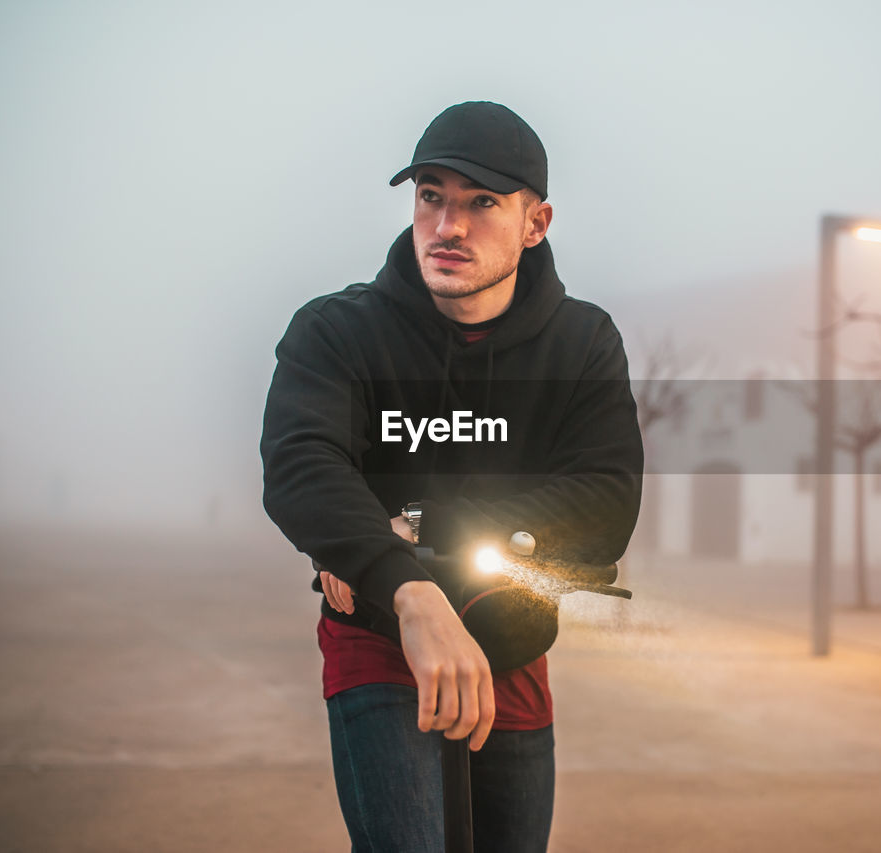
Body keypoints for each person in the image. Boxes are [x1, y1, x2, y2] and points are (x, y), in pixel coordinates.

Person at [260, 101, 643, 852]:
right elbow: (301, 467)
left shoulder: (582, 342)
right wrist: (403, 582)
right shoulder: (339, 330)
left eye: (482, 203)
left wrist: (420, 524)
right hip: (380, 631)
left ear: (536, 222)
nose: (448, 225)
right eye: (431, 195)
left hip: (513, 640)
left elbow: (606, 499)